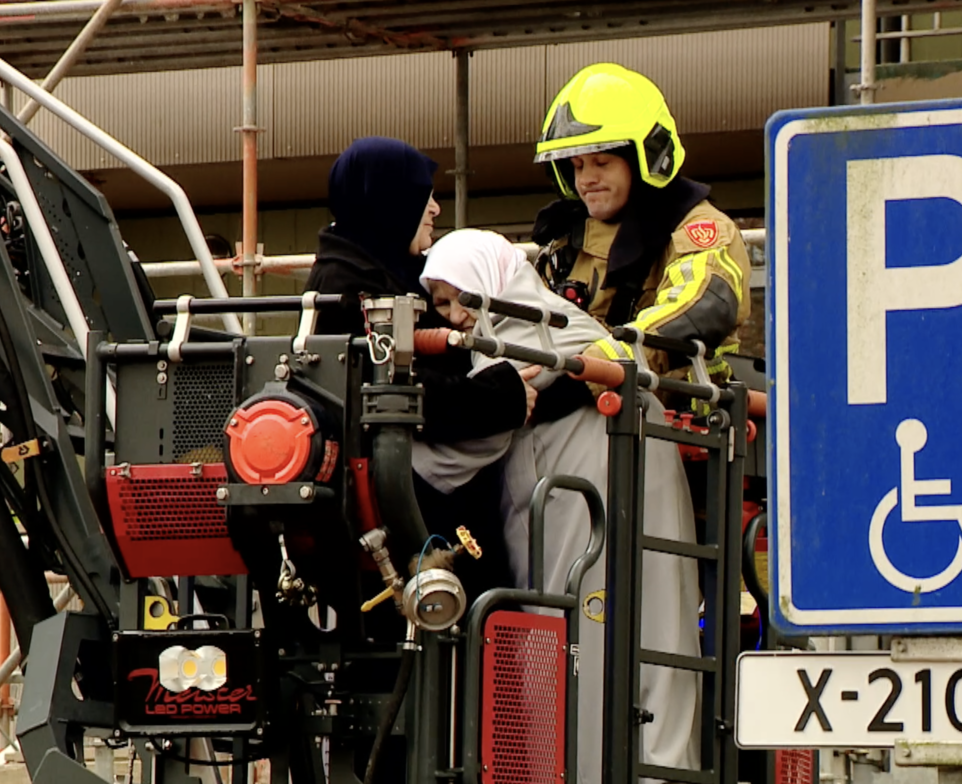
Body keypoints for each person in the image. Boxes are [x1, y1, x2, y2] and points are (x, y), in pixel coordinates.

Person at [415, 229, 701, 783]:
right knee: (610, 656)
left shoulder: (543, 339)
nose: (454, 316)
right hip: (587, 518)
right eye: (443, 304)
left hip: (587, 515)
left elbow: (453, 454)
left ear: (495, 285)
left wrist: (478, 406)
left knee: (588, 658)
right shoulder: (550, 339)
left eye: (464, 298)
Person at [304, 137, 542, 597]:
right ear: (390, 202)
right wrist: (502, 396)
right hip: (410, 520)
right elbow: (395, 390)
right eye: (423, 195)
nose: (434, 208)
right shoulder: (348, 288)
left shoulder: (377, 272)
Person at [531, 63, 749, 385]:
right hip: (579, 414)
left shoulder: (698, 228)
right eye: (577, 167)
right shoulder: (564, 242)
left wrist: (585, 375)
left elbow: (701, 310)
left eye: (602, 163)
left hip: (678, 422)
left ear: (645, 158)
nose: (587, 180)